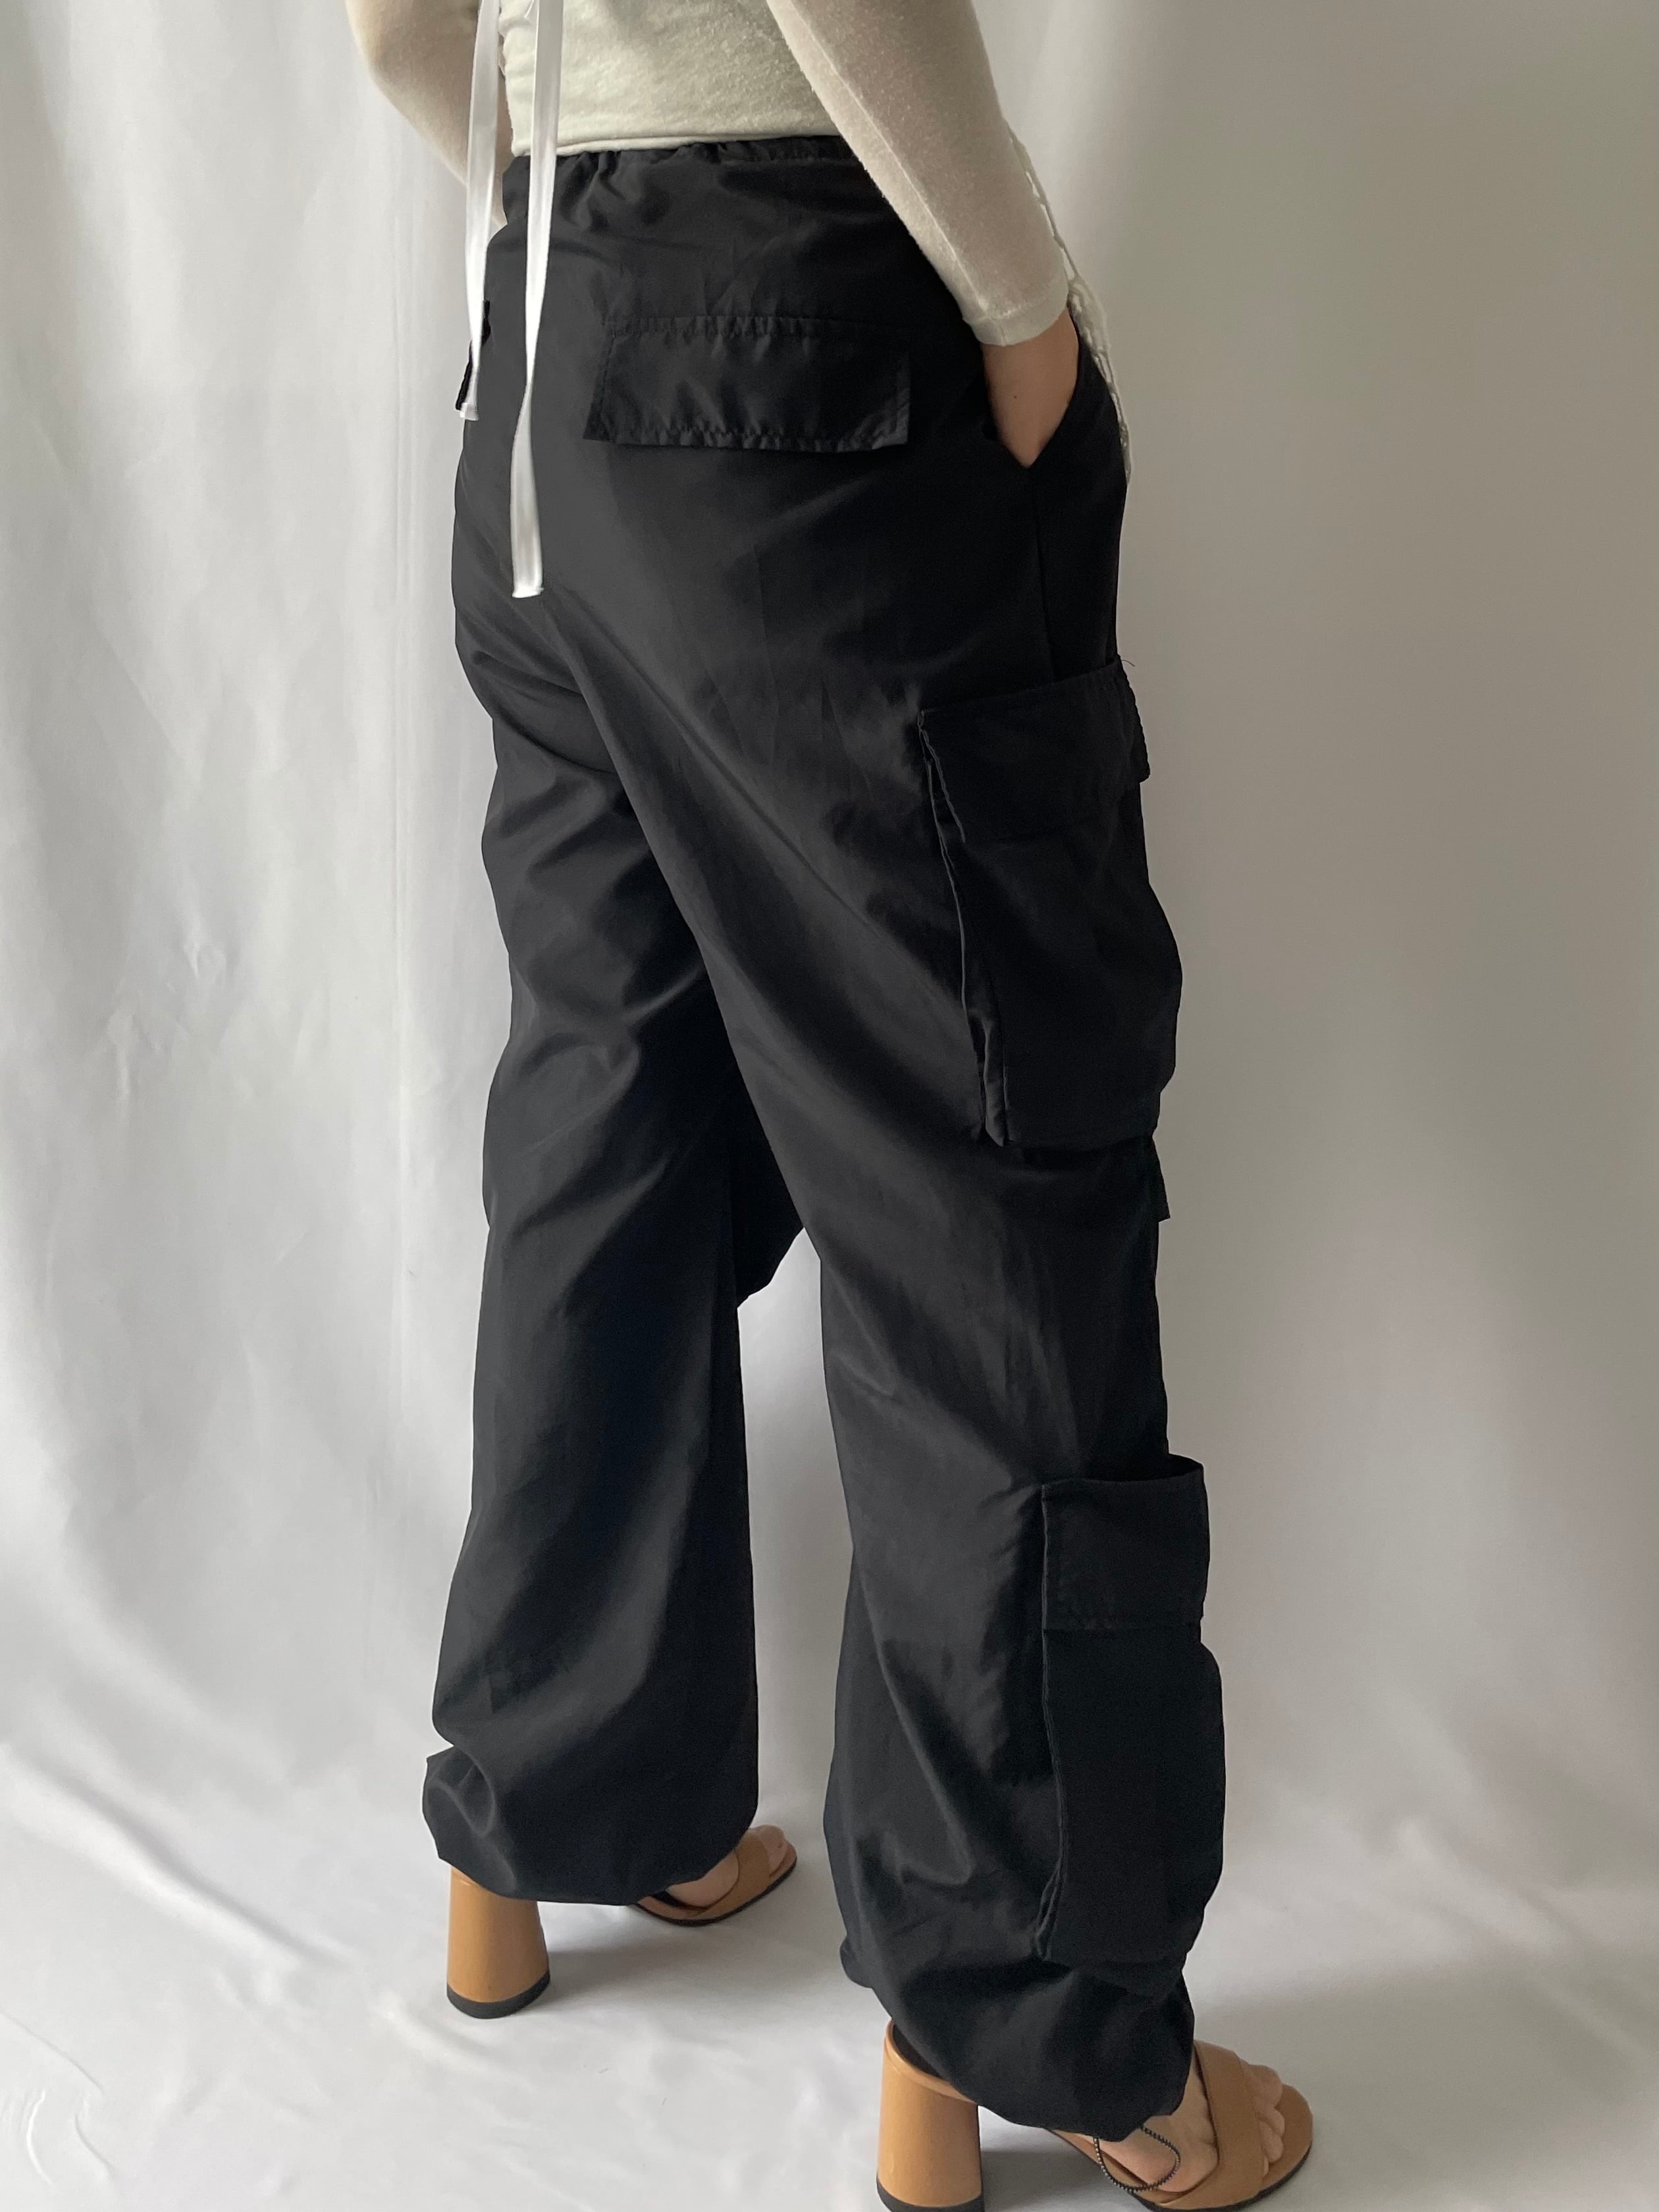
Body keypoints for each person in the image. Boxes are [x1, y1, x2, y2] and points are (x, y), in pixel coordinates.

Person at [344, 2, 1313, 2203]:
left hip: (537, 345)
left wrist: (548, 217)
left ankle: (559, 1806)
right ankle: (1038, 2022)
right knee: (990, 1155)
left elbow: (398, 23)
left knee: (614, 1116)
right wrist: (1022, 307)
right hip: (795, 350)